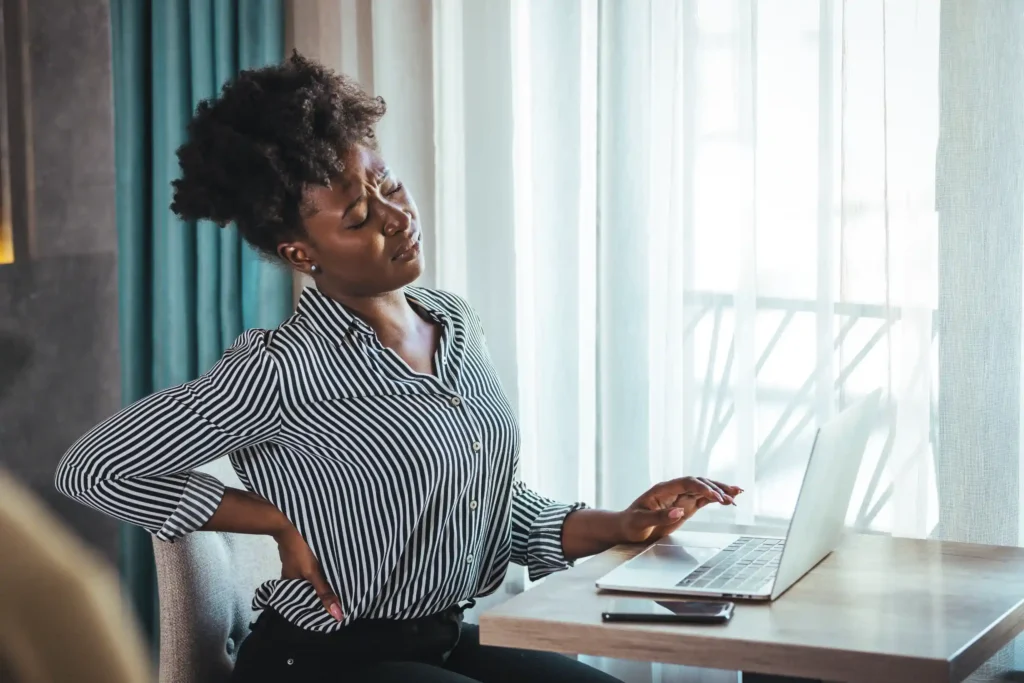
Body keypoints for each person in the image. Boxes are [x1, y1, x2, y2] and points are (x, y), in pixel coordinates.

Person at [55, 53, 743, 683]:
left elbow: (496, 512)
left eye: (386, 182)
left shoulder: (455, 322)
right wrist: (271, 519)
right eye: (358, 216)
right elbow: (93, 468)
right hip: (318, 662)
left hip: (440, 643)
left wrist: (620, 524)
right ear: (300, 252)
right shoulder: (283, 366)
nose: (395, 215)